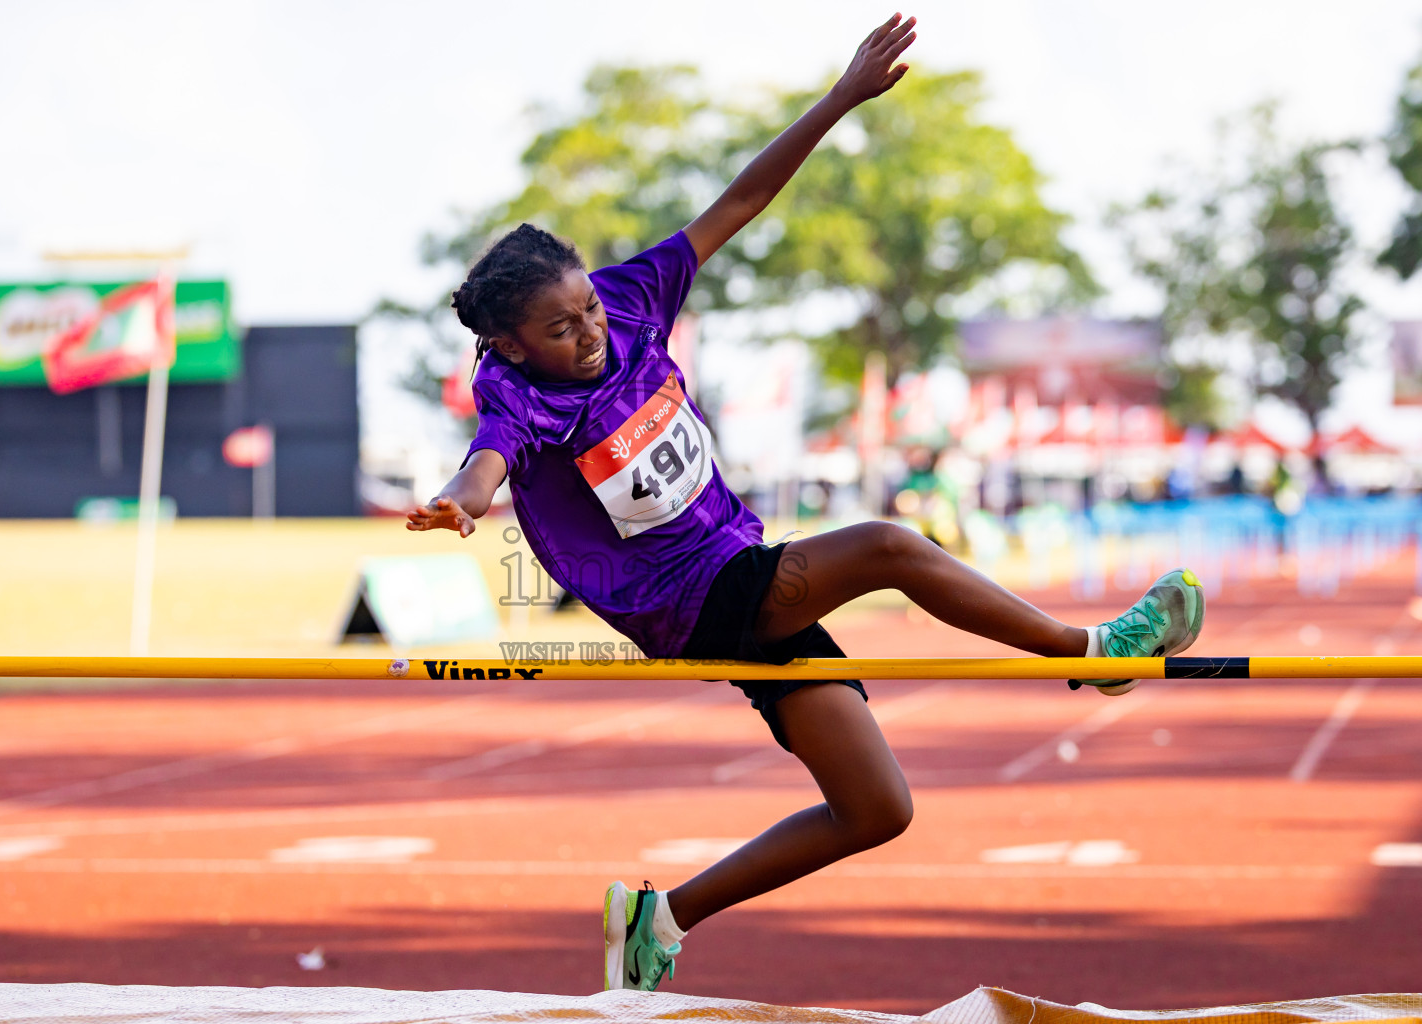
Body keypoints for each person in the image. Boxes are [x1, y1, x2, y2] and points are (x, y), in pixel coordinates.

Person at [406, 13, 1206, 993]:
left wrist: (841, 96)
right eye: (560, 328)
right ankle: (1093, 655)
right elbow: (487, 461)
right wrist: (459, 501)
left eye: (587, 310)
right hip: (685, 597)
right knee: (884, 545)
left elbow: (738, 200)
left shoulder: (630, 299)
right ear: (514, 343)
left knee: (877, 808)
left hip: (741, 568)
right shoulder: (520, 393)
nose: (589, 335)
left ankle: (659, 919)